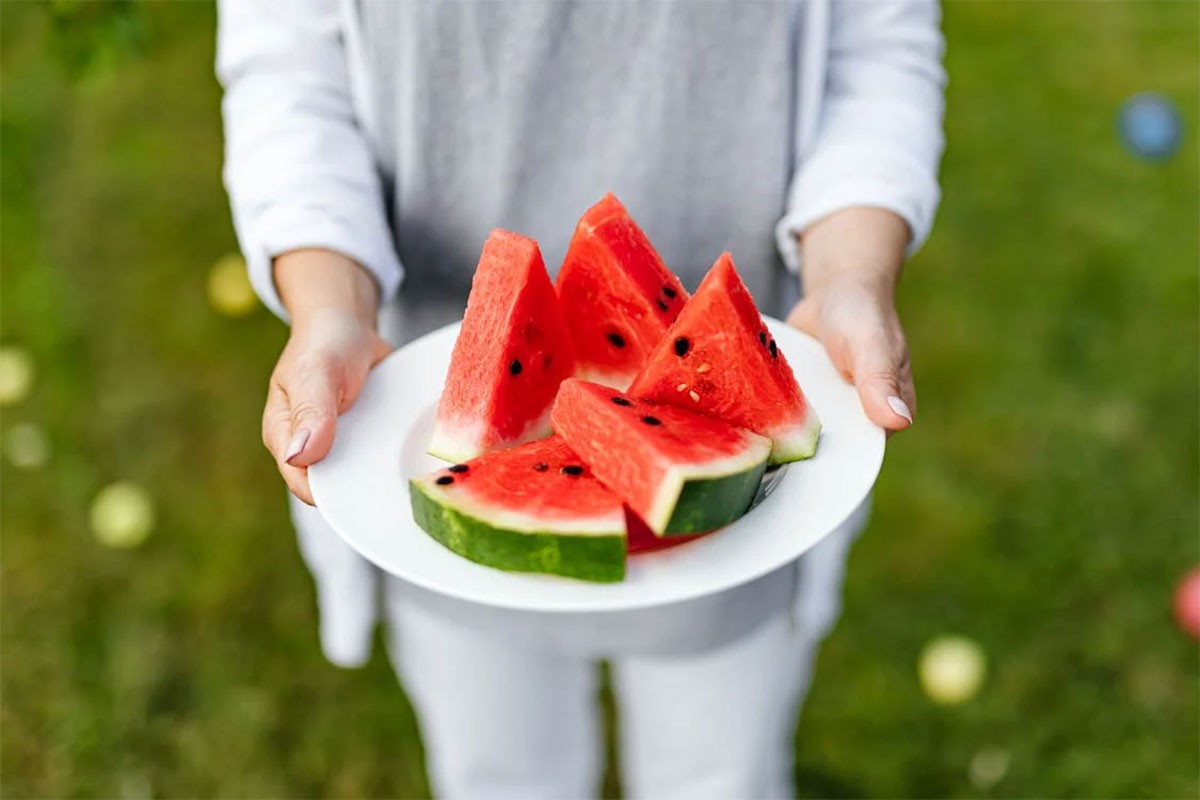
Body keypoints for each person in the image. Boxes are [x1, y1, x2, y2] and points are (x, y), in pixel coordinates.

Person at [217, 1, 944, 797]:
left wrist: (850, 276)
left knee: (720, 772)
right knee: (497, 770)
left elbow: (874, 50)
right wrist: (331, 308)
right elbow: (291, 74)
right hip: (417, 402)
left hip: (742, 495)